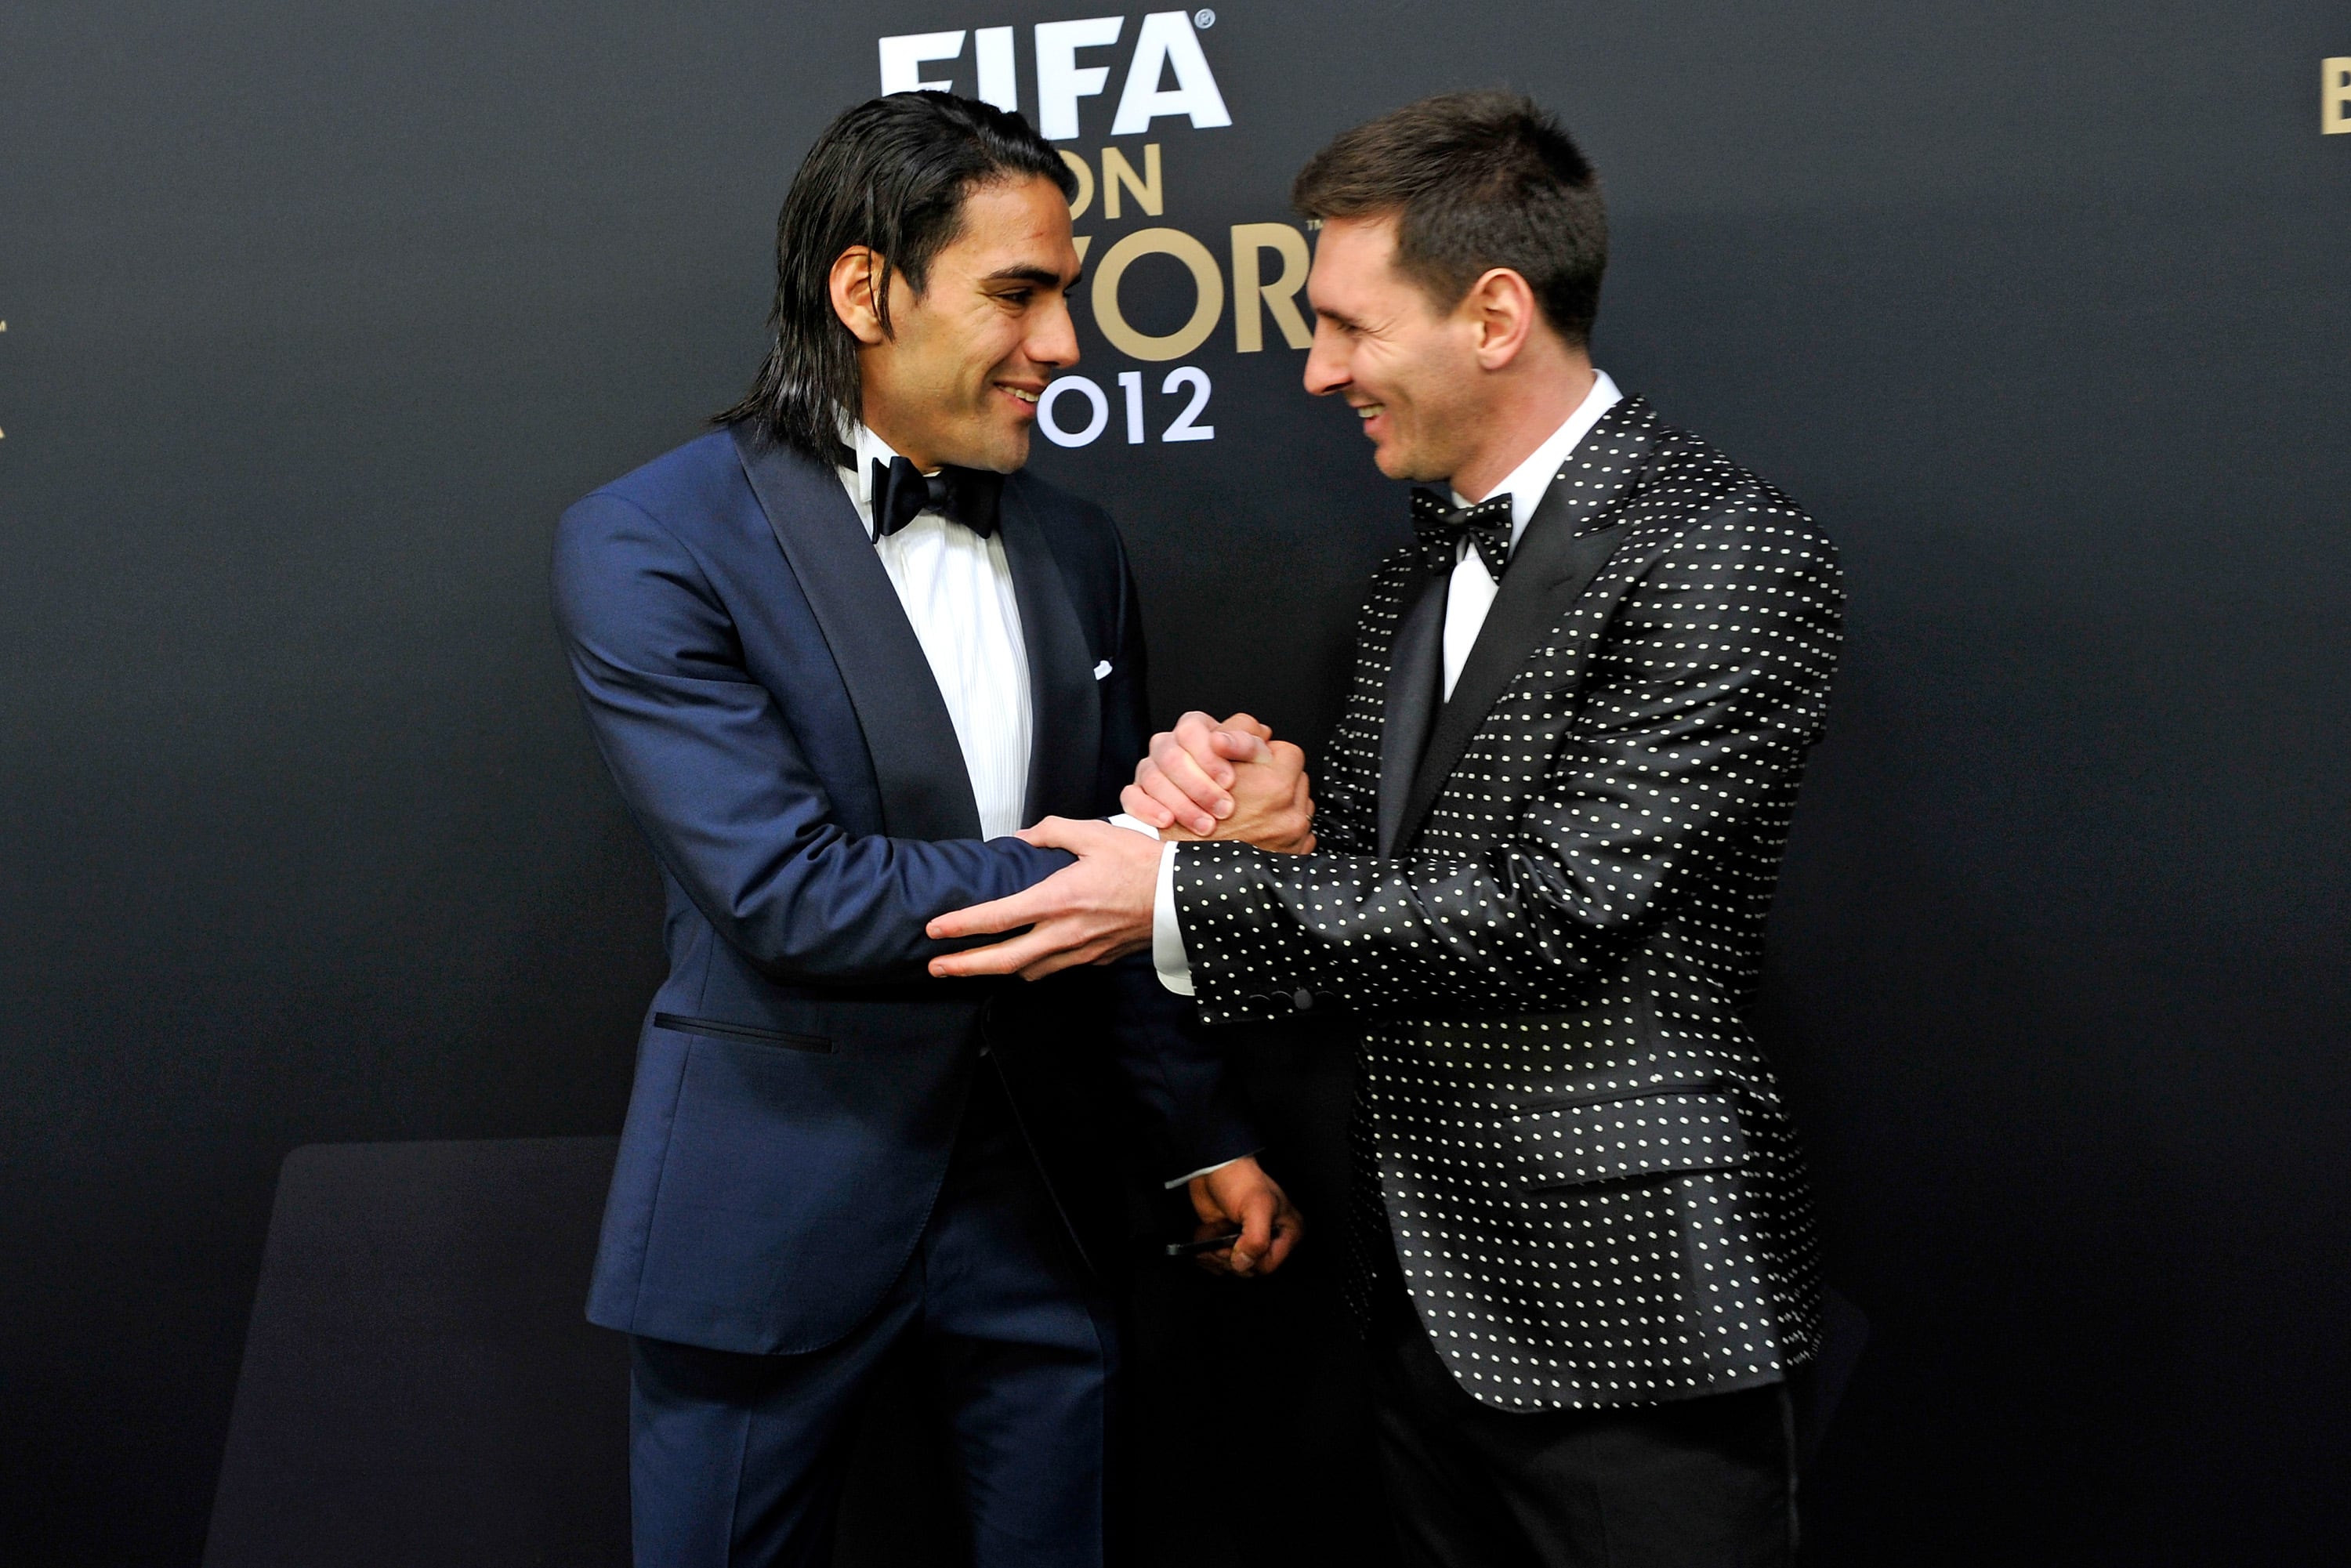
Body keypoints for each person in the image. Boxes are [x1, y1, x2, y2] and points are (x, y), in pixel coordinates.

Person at [929, 91, 1843, 1565]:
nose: (1315, 369)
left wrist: (1168, 900)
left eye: (1350, 327)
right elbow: (1386, 883)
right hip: (1413, 1301)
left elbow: (1552, 906)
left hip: (1636, 1319)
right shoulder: (1415, 570)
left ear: (1494, 315)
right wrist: (1259, 820)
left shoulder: (1725, 545)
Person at [549, 91, 1303, 1568]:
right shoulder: (649, 539)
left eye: (1067, 295)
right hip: (768, 1213)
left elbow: (1118, 905)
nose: (1066, 344)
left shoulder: (1078, 544)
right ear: (864, 288)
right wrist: (1166, 871)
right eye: (1017, 294)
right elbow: (795, 897)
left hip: (1046, 1209)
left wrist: (1195, 1132)